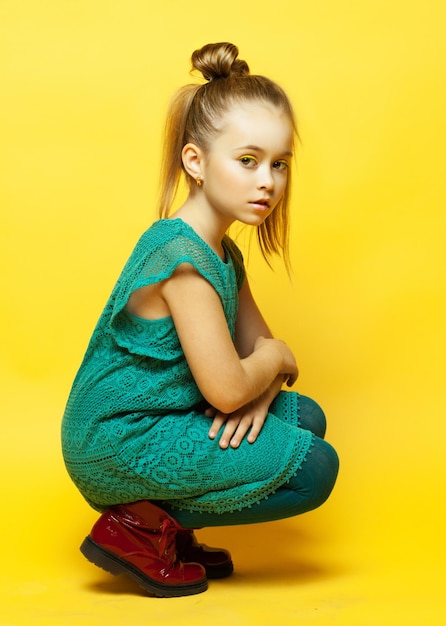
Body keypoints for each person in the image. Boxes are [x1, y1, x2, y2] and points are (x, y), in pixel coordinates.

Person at [61, 42, 339, 598]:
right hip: (119, 438)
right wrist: (276, 361)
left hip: (170, 416)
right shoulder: (182, 261)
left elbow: (254, 355)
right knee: (316, 468)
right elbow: (244, 375)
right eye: (247, 160)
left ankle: (163, 528)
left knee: (304, 418)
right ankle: (136, 527)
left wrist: (262, 382)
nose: (268, 181)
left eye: (279, 164)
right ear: (195, 161)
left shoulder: (223, 255)